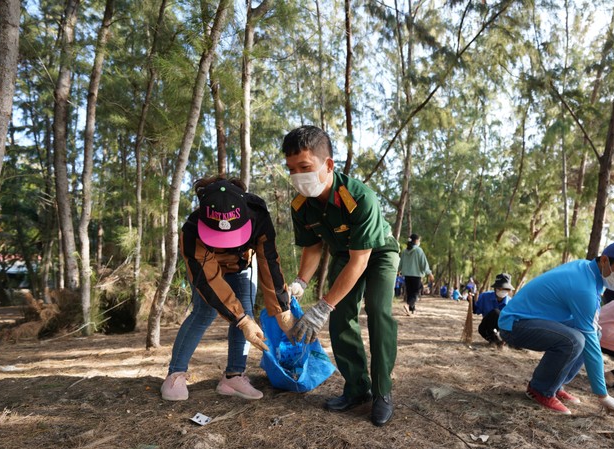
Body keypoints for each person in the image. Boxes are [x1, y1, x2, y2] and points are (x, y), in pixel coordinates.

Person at [283, 125, 400, 427]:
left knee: (377, 311)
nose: (298, 175)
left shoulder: (359, 197)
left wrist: (322, 305)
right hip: (344, 255)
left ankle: (382, 392)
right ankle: (357, 388)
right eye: (292, 169)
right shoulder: (301, 205)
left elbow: (361, 261)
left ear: (328, 165)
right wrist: (301, 282)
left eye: (305, 167)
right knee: (341, 317)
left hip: (378, 254)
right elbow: (312, 247)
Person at [160, 177, 294, 402]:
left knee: (246, 311)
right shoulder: (192, 231)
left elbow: (269, 263)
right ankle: (175, 374)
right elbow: (209, 281)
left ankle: (234, 376)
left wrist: (283, 310)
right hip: (208, 269)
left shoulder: (258, 216)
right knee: (204, 313)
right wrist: (241, 320)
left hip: (242, 264)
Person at [497, 240, 614, 416]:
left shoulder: (587, 270)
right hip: (515, 325)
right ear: (604, 261)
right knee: (575, 340)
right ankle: (540, 390)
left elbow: (593, 333)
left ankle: (555, 385)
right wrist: (602, 395)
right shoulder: (583, 287)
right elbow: (591, 343)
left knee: (593, 333)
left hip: (535, 319)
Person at [398, 233, 433, 315]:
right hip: (416, 275)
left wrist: (398, 271)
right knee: (415, 293)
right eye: (419, 240)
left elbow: (401, 263)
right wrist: (429, 273)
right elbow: (424, 263)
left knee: (410, 292)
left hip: (407, 275)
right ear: (416, 241)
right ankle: (407, 305)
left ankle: (411, 309)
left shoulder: (404, 251)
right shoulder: (418, 250)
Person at [474, 273, 513, 346]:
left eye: (506, 289)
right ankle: (493, 338)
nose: (503, 291)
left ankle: (501, 341)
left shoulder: (511, 303)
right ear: (495, 288)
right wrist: (472, 300)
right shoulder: (484, 297)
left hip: (503, 331)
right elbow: (476, 310)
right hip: (486, 329)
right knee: (496, 312)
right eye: (501, 288)